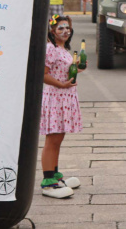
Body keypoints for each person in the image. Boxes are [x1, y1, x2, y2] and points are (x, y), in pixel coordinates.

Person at [40, 15, 85, 198]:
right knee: (52, 140)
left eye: (67, 28)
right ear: (52, 31)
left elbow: (63, 71)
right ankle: (48, 182)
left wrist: (77, 69)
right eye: (60, 28)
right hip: (55, 98)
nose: (65, 31)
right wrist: (61, 84)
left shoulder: (62, 48)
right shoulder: (50, 48)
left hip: (64, 98)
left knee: (58, 139)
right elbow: (43, 74)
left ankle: (55, 176)